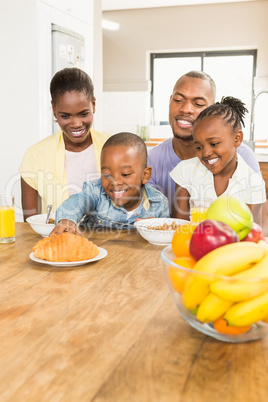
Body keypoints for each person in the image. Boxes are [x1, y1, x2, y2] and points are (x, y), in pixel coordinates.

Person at [148, 71, 261, 216]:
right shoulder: (152, 160)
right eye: (178, 100)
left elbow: (255, 223)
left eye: (198, 103)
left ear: (213, 110)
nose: (186, 109)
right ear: (170, 101)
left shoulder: (243, 156)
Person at [19, 67, 110, 221]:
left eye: (83, 114)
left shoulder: (113, 146)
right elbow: (31, 224)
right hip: (57, 241)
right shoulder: (35, 155)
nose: (76, 124)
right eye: (65, 116)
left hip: (108, 239)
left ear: (93, 105)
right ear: (54, 109)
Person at [170, 96, 266, 227]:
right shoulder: (185, 171)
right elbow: (180, 227)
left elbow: (249, 232)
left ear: (237, 139)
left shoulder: (253, 183)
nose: (206, 153)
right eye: (199, 147)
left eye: (214, 143)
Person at [50, 132, 169, 235]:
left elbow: (165, 237)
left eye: (126, 174)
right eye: (107, 175)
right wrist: (67, 219)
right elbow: (78, 201)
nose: (115, 182)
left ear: (145, 175)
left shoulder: (158, 203)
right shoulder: (96, 191)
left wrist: (157, 227)